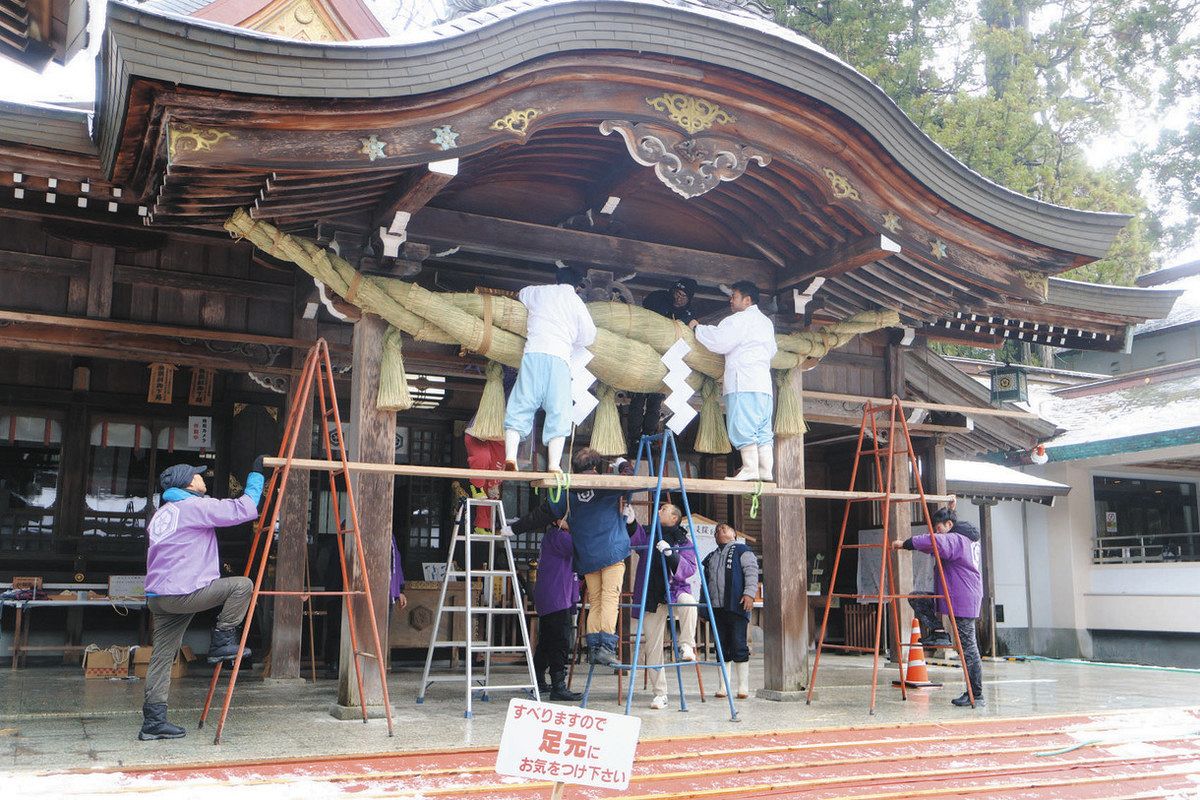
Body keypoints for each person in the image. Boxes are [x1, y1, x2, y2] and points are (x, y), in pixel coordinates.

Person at [138, 458, 265, 740]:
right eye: (197, 476)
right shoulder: (193, 506)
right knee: (242, 586)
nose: (202, 478)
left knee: (161, 658)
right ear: (187, 484)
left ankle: (153, 722)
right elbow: (244, 509)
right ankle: (222, 640)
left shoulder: (163, 513)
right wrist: (256, 475)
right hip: (182, 593)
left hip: (159, 596)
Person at [541, 448, 632, 666]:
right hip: (611, 550)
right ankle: (606, 647)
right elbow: (631, 481)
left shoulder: (569, 489)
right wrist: (622, 465)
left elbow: (553, 508)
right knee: (610, 598)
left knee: (596, 600)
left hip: (588, 555)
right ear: (595, 466)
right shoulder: (605, 483)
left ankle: (593, 648)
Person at [504, 266, 597, 472]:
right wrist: (573, 337)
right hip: (560, 358)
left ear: (557, 280)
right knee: (559, 411)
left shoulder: (539, 291)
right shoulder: (576, 301)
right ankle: (554, 465)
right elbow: (589, 336)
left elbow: (521, 294)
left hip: (534, 353)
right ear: (577, 286)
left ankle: (511, 457)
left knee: (521, 403)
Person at [893, 506, 984, 707]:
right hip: (956, 594)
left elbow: (933, 541)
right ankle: (939, 631)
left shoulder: (956, 539)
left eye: (938, 527)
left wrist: (904, 544)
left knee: (967, 647)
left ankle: (975, 694)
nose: (936, 531)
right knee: (917, 598)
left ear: (949, 525)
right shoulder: (966, 540)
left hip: (961, 596)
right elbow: (934, 545)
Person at [690, 280, 777, 480]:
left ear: (747, 300)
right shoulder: (766, 323)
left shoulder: (739, 319)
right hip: (763, 385)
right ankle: (765, 470)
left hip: (743, 382)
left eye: (734, 296)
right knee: (763, 430)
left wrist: (698, 329)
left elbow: (720, 341)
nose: (731, 300)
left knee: (743, 425)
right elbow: (772, 351)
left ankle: (749, 468)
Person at [629, 503, 698, 710]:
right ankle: (660, 693)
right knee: (653, 646)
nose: (659, 510)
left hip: (675, 592)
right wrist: (631, 522)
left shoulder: (682, 540)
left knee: (689, 601)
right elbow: (637, 542)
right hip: (652, 595)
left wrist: (671, 554)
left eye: (664, 509)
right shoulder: (650, 533)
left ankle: (687, 643)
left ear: (675, 517)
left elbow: (689, 568)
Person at [510, 508, 582, 702]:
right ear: (558, 521)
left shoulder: (553, 536)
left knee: (548, 639)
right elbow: (582, 548)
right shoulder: (561, 537)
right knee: (560, 640)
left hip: (550, 593)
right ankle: (558, 685)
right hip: (557, 594)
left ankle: (539, 678)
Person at [627, 278, 698, 451]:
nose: (679, 298)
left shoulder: (688, 314)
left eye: (683, 296)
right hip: (645, 356)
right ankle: (634, 440)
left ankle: (648, 439)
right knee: (637, 400)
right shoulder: (657, 299)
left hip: (666, 364)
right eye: (678, 293)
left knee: (655, 402)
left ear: (689, 299)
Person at [702, 522, 758, 699]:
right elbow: (705, 583)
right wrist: (704, 607)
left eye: (724, 528)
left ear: (734, 534)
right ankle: (723, 687)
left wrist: (749, 594)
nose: (720, 531)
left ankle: (743, 687)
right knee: (720, 646)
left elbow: (751, 572)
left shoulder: (742, 550)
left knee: (738, 644)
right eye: (717, 530)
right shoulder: (710, 557)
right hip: (716, 607)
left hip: (737, 605)